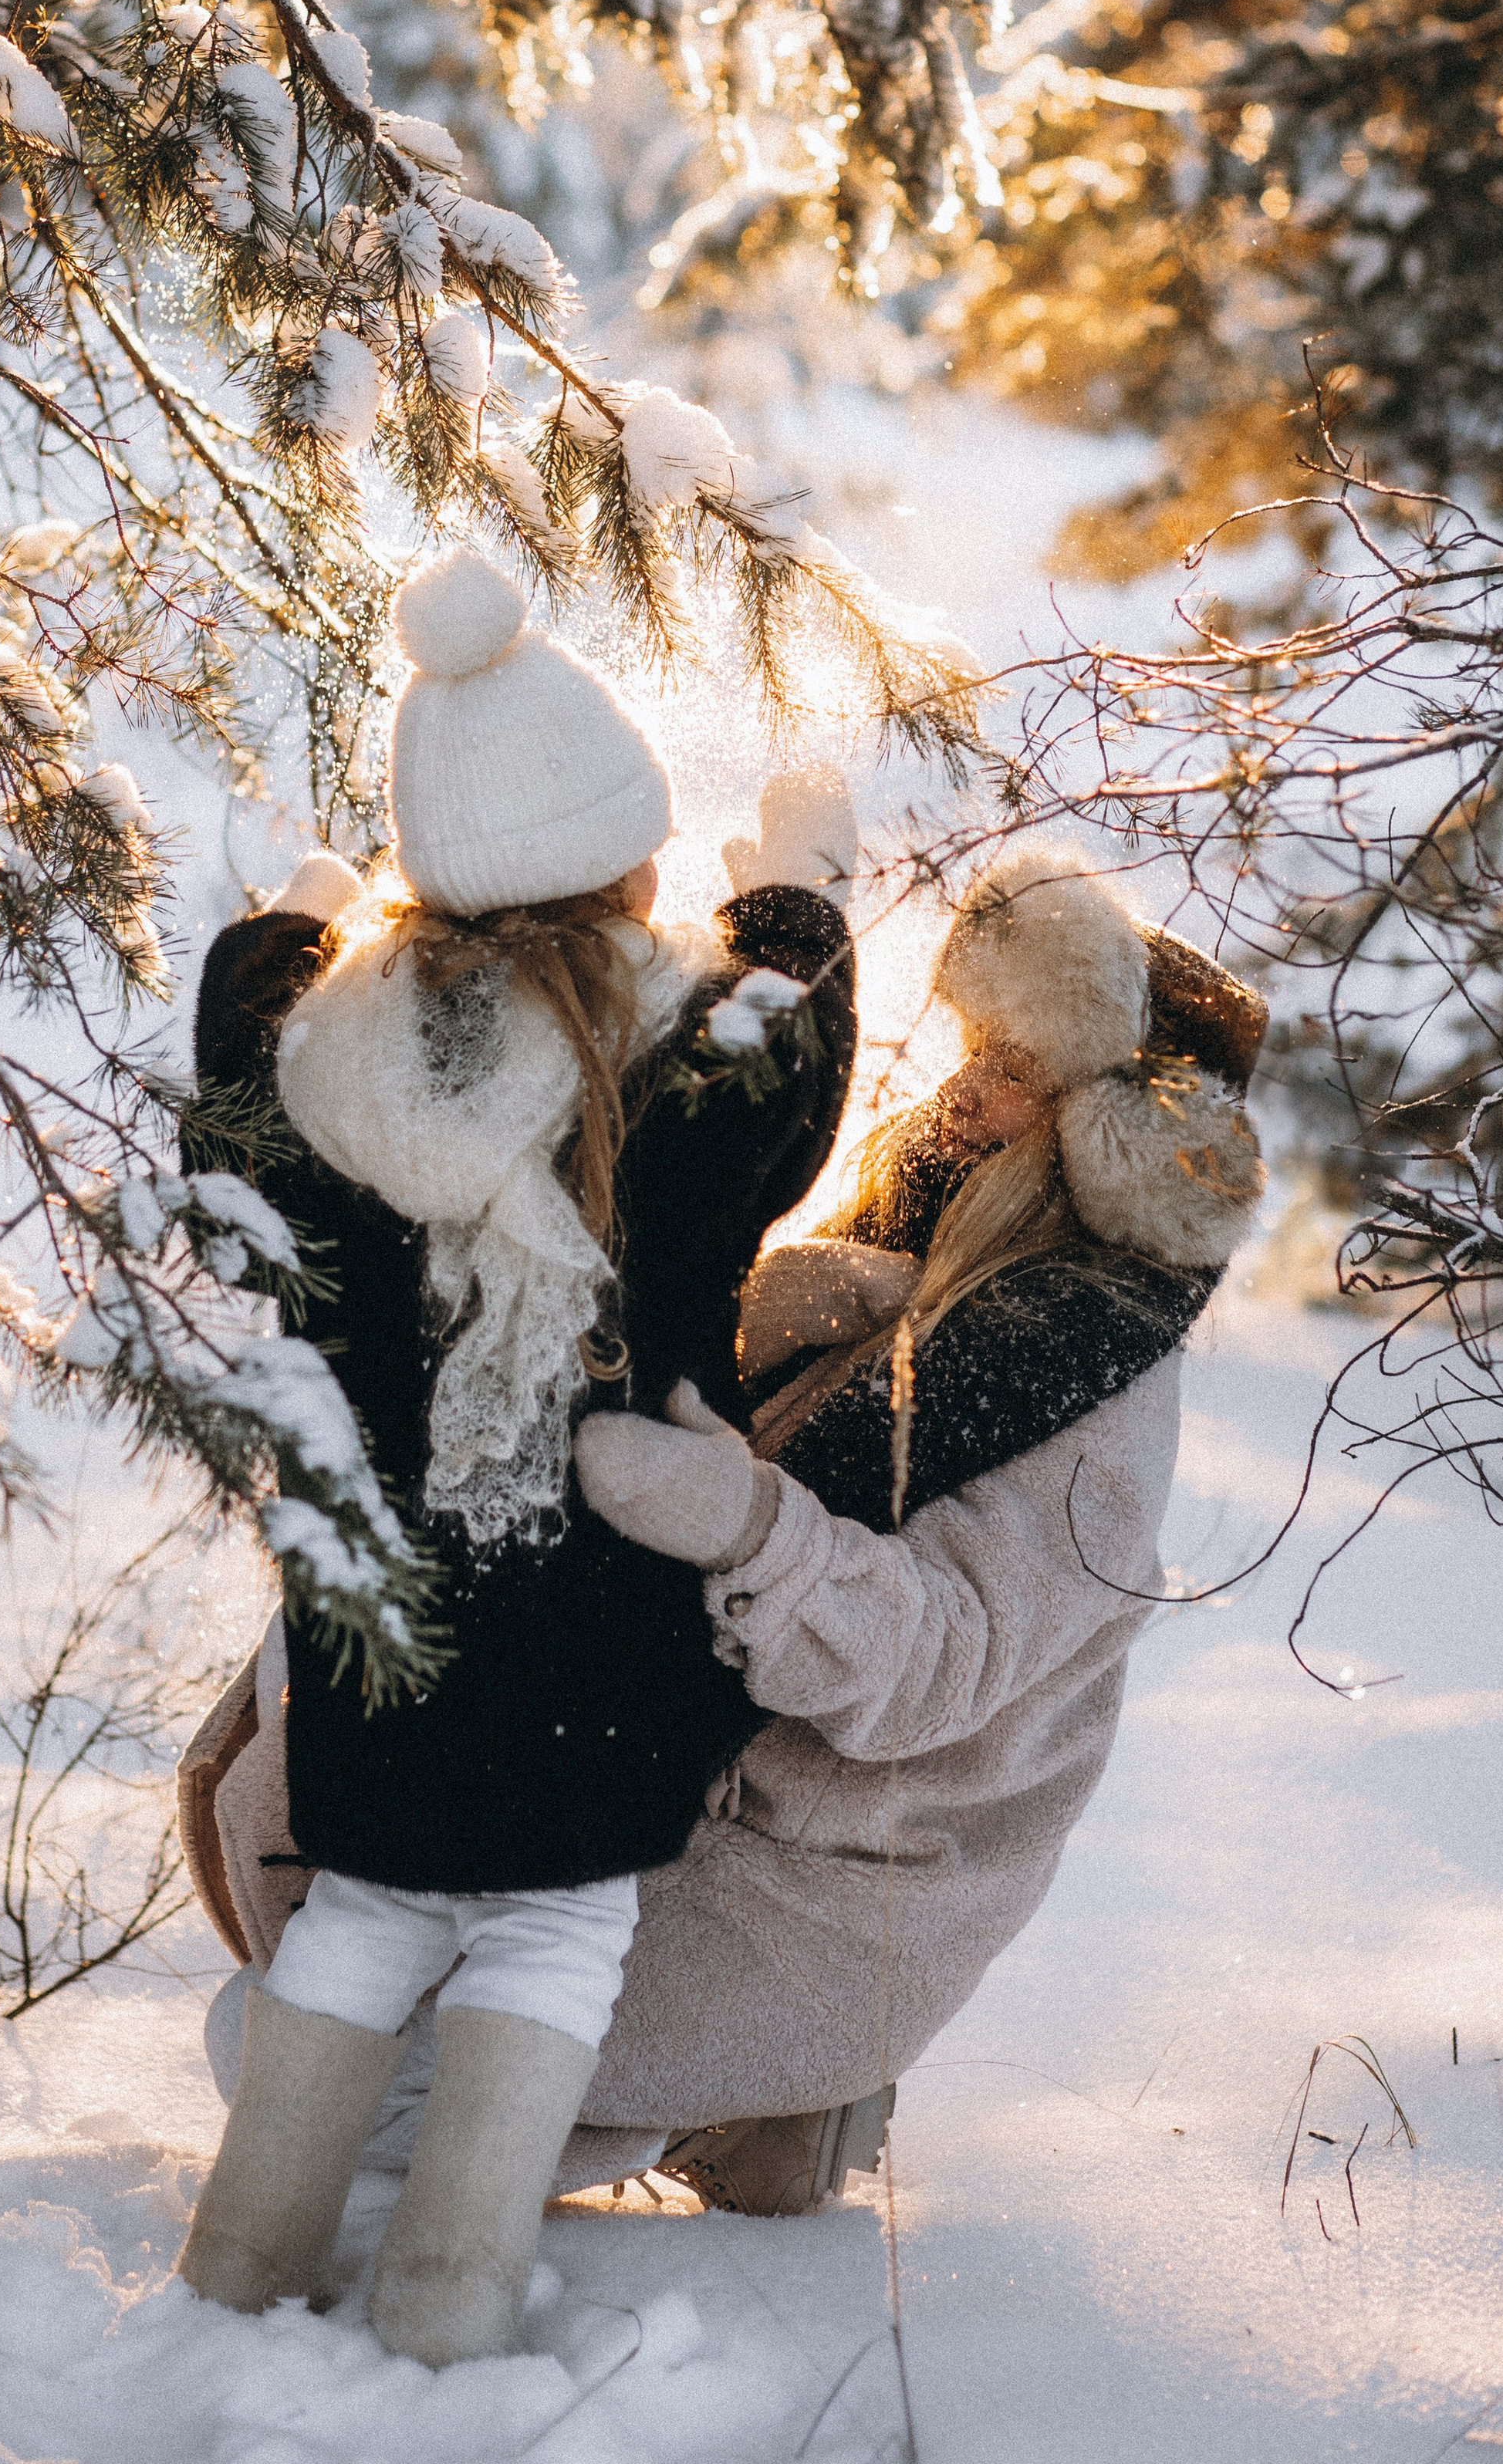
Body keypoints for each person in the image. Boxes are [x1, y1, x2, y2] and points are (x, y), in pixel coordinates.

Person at [179, 842, 1267, 2223]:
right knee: (351, 1876)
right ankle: (665, 2077)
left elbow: (935, 1667)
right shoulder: (906, 1248)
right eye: (978, 1051)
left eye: (1015, 1074)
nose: (967, 1092)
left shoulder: (1085, 1380)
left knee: (305, 2050)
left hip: (818, 1886)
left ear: (1101, 1129)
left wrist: (749, 1526)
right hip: (678, 1778)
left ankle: (761, 2104)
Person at [173, 543, 860, 2358]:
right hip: (599, 1618)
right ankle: (444, 2316)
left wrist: (282, 931)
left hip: (378, 1611)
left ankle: (233, 2277)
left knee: (365, 1918)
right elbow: (793, 1068)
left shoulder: (325, 1067)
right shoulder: (684, 1070)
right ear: (629, 861)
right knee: (554, 1934)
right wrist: (796, 886)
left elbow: (228, 1115)